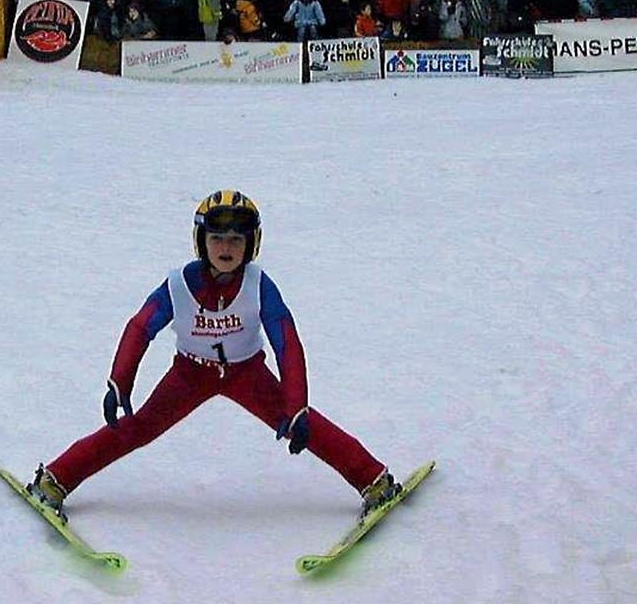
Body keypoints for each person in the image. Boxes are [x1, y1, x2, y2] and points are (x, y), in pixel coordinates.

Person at [26, 190, 402, 521]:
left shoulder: (259, 285)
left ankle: (374, 480)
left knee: (301, 423)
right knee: (136, 429)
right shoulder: (180, 284)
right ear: (201, 242)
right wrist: (119, 381)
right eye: (217, 238)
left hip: (247, 375)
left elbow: (287, 344)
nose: (226, 248)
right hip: (189, 375)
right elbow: (141, 327)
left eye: (236, 240)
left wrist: (296, 405)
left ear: (251, 244)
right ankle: (55, 480)